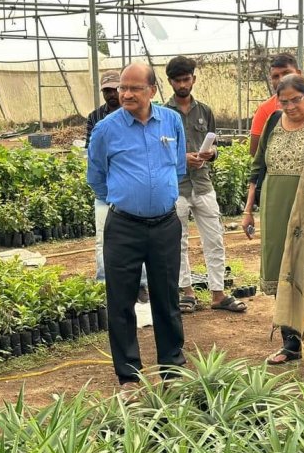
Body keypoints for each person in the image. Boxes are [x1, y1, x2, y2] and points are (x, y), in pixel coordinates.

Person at [87, 62, 187, 388]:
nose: (126, 94)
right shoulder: (105, 129)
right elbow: (97, 178)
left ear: (152, 91)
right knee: (121, 301)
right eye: (122, 88)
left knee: (167, 298)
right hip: (124, 227)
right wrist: (126, 197)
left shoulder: (172, 121)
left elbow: (179, 167)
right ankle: (129, 376)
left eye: (134, 88)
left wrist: (158, 191)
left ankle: (172, 369)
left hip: (165, 225)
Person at [242, 74, 304, 370]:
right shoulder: (271, 122)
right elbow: (257, 169)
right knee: (284, 271)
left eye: (296, 99)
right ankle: (291, 344)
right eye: (284, 101)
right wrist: (247, 210)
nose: (291, 106)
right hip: (275, 208)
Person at [164, 56, 246, 314]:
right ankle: (187, 292)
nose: (182, 85)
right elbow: (158, 152)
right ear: (170, 82)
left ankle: (218, 293)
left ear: (193, 79)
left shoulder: (205, 111)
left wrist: (211, 155)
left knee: (215, 238)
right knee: (178, 241)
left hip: (203, 184)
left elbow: (213, 146)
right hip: (177, 186)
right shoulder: (163, 114)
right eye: (177, 81)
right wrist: (182, 159)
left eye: (186, 79)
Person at [86, 70, 149, 303]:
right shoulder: (96, 119)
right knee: (103, 238)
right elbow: (94, 159)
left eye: (116, 89)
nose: (113, 94)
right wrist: (108, 194)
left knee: (139, 239)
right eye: (108, 91)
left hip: (131, 194)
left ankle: (140, 285)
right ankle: (104, 282)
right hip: (107, 194)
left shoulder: (137, 115)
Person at [249, 53, 304, 158]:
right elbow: (255, 153)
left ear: (299, 74)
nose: (281, 79)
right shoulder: (265, 109)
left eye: (286, 73)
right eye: (275, 76)